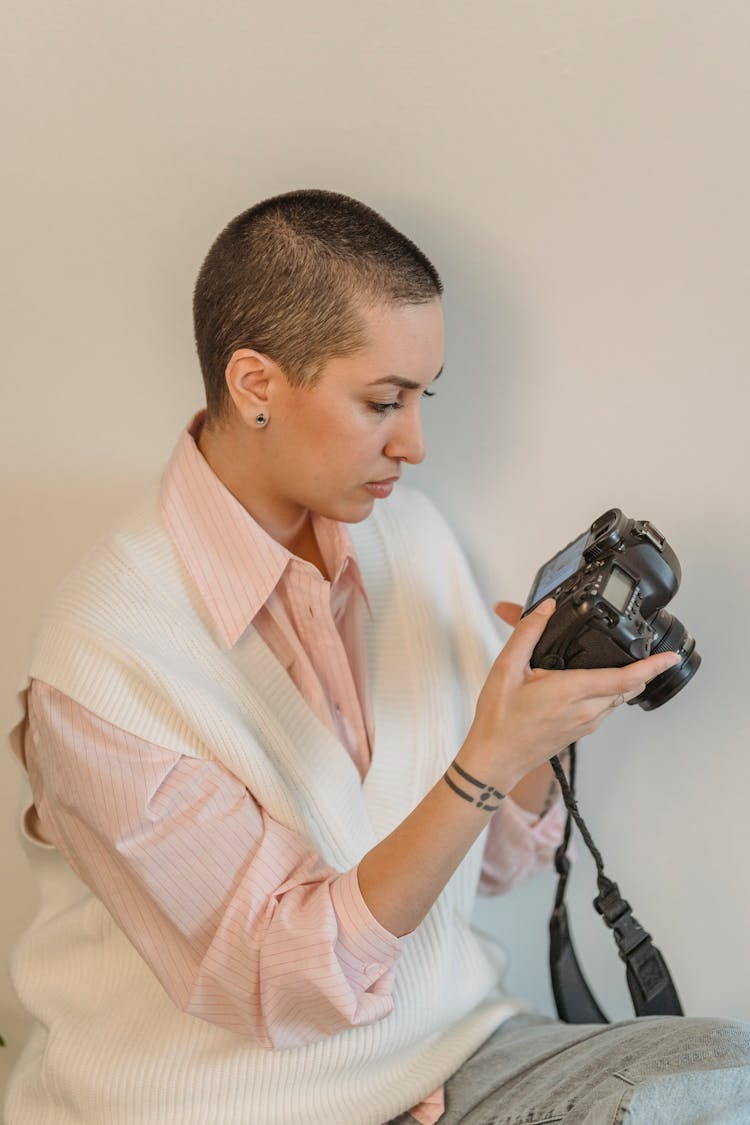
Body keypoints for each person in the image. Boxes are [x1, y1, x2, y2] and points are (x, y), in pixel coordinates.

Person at [6, 189, 749, 1125]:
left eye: (422, 396)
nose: (417, 443)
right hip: (226, 1103)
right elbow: (283, 982)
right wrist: (483, 762)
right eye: (383, 402)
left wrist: (530, 732)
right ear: (255, 384)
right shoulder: (105, 667)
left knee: (719, 1070)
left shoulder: (408, 535)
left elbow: (491, 867)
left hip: (442, 1050)